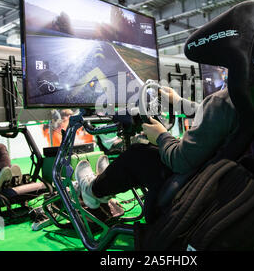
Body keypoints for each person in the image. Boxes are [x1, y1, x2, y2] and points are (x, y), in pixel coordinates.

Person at [73, 85, 237, 211]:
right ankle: (105, 181)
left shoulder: (223, 100)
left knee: (137, 155)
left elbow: (181, 161)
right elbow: (211, 114)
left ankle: (91, 191)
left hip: (196, 182)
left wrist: (162, 137)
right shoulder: (243, 95)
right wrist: (179, 102)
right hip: (222, 176)